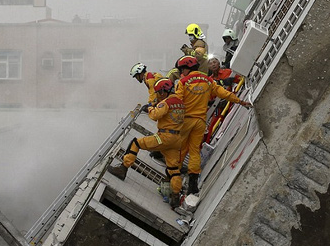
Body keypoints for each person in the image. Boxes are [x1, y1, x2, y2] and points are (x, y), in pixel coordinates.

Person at [175, 56, 252, 196]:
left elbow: (177, 103)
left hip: (185, 121)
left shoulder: (183, 82)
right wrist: (240, 101)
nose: (182, 72)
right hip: (200, 122)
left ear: (186, 69)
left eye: (182, 69)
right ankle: (192, 186)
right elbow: (223, 93)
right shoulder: (208, 80)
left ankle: (174, 182)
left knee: (179, 150)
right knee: (194, 152)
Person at [107, 78, 186, 208]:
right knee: (173, 169)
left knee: (136, 143)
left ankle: (123, 168)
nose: (159, 95)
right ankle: (175, 197)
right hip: (176, 139)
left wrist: (150, 107)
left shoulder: (167, 102)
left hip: (164, 137)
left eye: (160, 92)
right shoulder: (180, 103)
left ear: (165, 91)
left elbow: (155, 115)